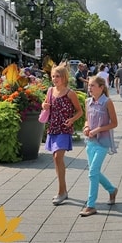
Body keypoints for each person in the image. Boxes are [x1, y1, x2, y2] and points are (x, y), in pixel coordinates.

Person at [42, 64, 84, 205]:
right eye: (53, 76)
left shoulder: (70, 93)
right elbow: (46, 104)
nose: (55, 79)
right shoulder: (50, 91)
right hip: (53, 128)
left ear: (64, 77)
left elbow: (79, 111)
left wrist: (72, 120)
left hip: (64, 129)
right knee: (56, 159)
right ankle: (63, 190)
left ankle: (61, 191)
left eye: (57, 76)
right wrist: (44, 106)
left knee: (58, 156)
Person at [79, 76, 118, 217]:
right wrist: (86, 127)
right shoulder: (87, 102)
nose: (89, 88)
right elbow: (86, 120)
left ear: (101, 87)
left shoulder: (107, 102)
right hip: (90, 142)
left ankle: (91, 205)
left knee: (92, 172)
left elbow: (114, 123)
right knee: (94, 172)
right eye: (89, 85)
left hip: (103, 142)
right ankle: (112, 189)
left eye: (93, 85)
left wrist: (98, 129)